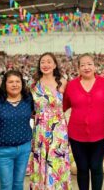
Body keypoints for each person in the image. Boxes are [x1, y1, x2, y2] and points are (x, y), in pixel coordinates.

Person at [63, 53, 104, 190]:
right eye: (82, 65)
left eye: (89, 64)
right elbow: (62, 106)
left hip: (100, 135)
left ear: (95, 66)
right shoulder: (71, 85)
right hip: (76, 135)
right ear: (78, 68)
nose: (86, 67)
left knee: (96, 167)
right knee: (82, 168)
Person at [28, 52, 71, 189]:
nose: (45, 65)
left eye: (49, 62)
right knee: (41, 159)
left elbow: (72, 101)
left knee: (57, 160)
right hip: (40, 127)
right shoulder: (33, 84)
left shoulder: (63, 82)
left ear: (55, 65)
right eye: (42, 62)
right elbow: (28, 106)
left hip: (58, 128)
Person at [0, 70, 33, 190]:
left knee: (18, 184)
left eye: (18, 81)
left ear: (22, 83)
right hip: (2, 150)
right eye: (11, 82)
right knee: (6, 185)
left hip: (24, 147)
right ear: (5, 84)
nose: (15, 84)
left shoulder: (28, 98)